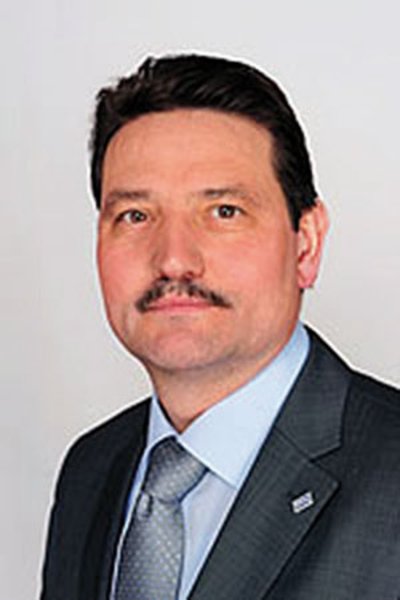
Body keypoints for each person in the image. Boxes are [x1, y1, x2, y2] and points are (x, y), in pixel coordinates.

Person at [40, 54, 400, 600]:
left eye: (224, 211)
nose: (174, 260)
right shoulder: (91, 470)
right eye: (135, 216)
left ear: (306, 245)